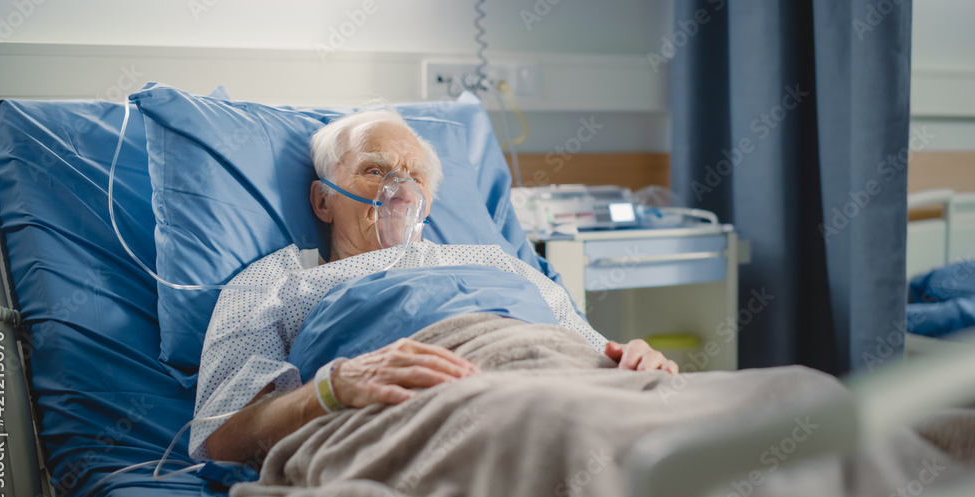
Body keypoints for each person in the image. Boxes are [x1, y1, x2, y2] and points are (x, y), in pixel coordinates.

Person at [193, 108, 678, 463]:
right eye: (375, 169)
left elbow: (593, 351)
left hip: (568, 385)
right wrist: (333, 388)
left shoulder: (495, 262)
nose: (400, 189)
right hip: (431, 410)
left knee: (699, 428)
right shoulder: (278, 281)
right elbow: (218, 437)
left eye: (416, 176)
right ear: (323, 201)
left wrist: (636, 360)